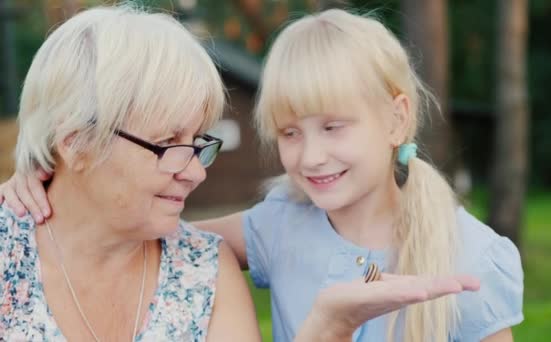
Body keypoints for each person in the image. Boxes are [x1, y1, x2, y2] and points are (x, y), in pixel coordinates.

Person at [0, 8, 490, 342]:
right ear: (77, 144)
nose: (194, 172)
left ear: (396, 119)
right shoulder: (273, 230)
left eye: (196, 143)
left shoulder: (198, 270)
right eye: (169, 145)